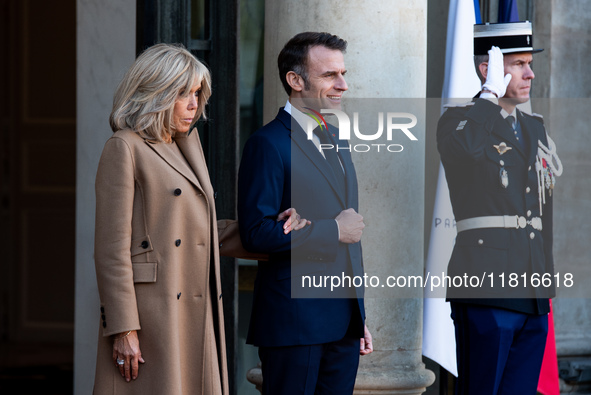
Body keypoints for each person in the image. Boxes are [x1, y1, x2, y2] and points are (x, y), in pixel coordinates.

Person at [237, 32, 373, 394]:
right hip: (294, 322)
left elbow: (350, 243)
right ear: (295, 80)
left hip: (342, 323)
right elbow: (255, 232)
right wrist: (333, 230)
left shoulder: (337, 139)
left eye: (343, 73)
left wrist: (358, 315)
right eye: (330, 75)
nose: (342, 84)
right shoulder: (266, 144)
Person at [437, 21, 562, 394]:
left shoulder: (533, 127)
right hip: (486, 286)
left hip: (532, 291)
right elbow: (465, 151)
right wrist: (489, 96)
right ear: (487, 71)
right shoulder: (458, 121)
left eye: (529, 63)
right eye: (519, 64)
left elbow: (543, 213)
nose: (530, 73)